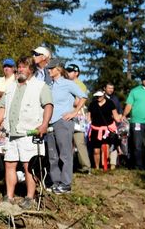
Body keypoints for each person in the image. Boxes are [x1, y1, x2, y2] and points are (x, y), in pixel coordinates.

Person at [0, 56, 53, 209]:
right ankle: (9, 196)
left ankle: (30, 197)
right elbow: (2, 106)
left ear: (31, 69)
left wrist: (44, 124)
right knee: (9, 164)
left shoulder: (40, 86)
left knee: (29, 166)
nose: (20, 69)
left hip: (30, 133)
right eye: (19, 67)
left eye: (24, 67)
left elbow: (48, 105)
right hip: (11, 133)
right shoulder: (12, 86)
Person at [45, 60, 86, 194]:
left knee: (65, 154)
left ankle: (66, 184)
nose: (49, 70)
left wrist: (74, 112)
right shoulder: (49, 85)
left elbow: (84, 96)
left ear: (58, 69)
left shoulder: (68, 84)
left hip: (63, 122)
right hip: (50, 122)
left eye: (51, 68)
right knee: (52, 155)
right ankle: (56, 182)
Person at [65, 64, 91, 174]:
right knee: (66, 143)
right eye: (67, 71)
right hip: (66, 115)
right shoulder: (65, 82)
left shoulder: (80, 85)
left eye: (71, 71)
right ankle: (68, 167)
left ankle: (86, 167)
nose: (68, 73)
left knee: (79, 142)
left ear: (76, 73)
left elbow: (79, 101)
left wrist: (65, 100)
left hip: (77, 117)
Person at [87, 90, 121, 171]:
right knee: (96, 150)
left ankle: (105, 166)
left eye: (100, 96)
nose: (98, 97)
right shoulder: (92, 104)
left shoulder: (110, 103)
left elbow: (116, 116)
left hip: (106, 130)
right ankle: (97, 168)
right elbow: (89, 117)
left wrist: (121, 121)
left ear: (104, 95)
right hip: (95, 129)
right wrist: (87, 125)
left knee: (105, 148)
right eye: (97, 96)